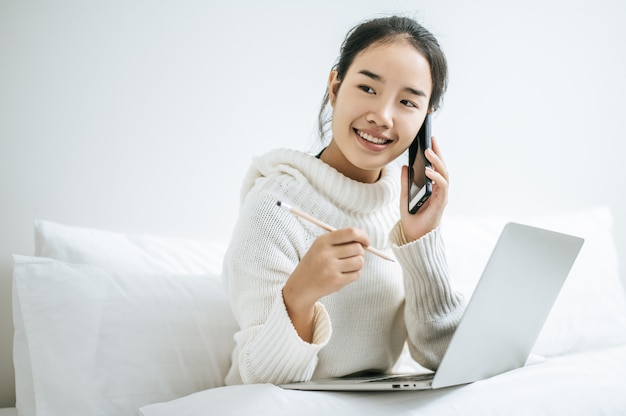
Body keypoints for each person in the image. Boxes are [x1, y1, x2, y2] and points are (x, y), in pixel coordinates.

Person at [222, 15, 465, 385]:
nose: (382, 117)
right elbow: (259, 382)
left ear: (425, 122)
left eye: (407, 102)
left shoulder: (402, 212)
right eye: (368, 88)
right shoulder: (273, 208)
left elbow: (443, 356)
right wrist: (300, 297)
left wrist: (420, 241)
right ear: (334, 87)